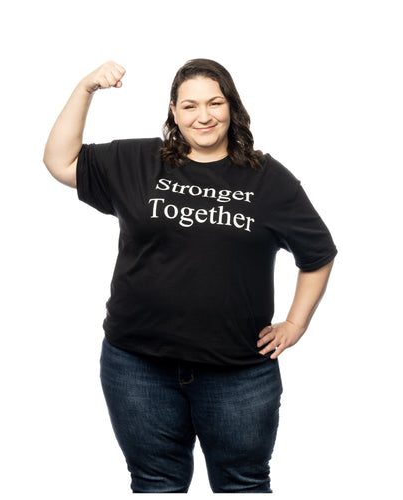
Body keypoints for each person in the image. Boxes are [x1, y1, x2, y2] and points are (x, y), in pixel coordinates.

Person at [43, 59, 337, 493]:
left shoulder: (269, 181)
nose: (204, 116)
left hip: (238, 372)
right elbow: (60, 161)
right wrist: (85, 87)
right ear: (174, 112)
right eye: (190, 105)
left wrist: (296, 324)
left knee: (243, 484)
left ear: (232, 107)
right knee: (155, 483)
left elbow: (318, 253)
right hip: (137, 366)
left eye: (215, 103)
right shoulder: (137, 161)